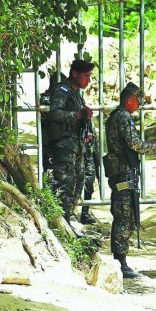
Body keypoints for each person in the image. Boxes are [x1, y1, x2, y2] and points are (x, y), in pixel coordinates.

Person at [105, 82, 156, 278]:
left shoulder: (115, 116)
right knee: (124, 217)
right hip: (122, 171)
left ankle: (121, 260)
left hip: (120, 170)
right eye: (137, 102)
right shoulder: (123, 117)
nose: (138, 106)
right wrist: (154, 146)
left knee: (125, 214)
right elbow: (134, 143)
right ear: (129, 100)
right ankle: (120, 262)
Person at [47, 60, 94, 234]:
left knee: (77, 184)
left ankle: (67, 220)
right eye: (85, 76)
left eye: (89, 76)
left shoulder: (76, 93)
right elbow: (54, 113)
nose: (88, 80)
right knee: (65, 186)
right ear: (74, 74)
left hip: (77, 146)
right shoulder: (62, 90)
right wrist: (77, 114)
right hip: (64, 148)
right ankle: (61, 224)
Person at [80, 127, 99, 225]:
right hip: (73, 152)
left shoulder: (90, 123)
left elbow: (95, 144)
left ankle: (85, 212)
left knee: (89, 181)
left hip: (88, 154)